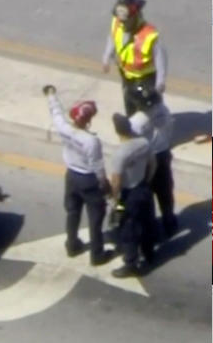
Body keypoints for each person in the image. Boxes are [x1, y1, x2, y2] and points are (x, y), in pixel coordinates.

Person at [43, 84, 112, 265]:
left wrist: (51, 95)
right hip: (88, 180)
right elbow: (97, 167)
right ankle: (97, 255)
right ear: (88, 121)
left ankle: (72, 245)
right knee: (95, 218)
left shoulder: (64, 128)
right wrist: (104, 184)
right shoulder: (91, 141)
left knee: (72, 212)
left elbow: (56, 113)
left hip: (71, 176)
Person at [101, 0, 168, 116]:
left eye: (126, 20)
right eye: (121, 20)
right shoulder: (117, 23)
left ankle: (155, 122)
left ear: (135, 16)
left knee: (149, 107)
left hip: (145, 78)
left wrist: (160, 82)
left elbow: (161, 59)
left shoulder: (149, 34)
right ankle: (131, 123)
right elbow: (112, 38)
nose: (123, 23)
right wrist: (106, 57)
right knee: (129, 100)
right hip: (126, 74)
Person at [108, 113, 158, 278]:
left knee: (127, 227)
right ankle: (149, 253)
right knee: (147, 222)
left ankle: (130, 263)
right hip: (143, 189)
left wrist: (114, 201)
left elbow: (116, 181)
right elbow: (153, 164)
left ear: (117, 132)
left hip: (126, 195)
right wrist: (146, 182)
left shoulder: (120, 154)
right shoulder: (144, 143)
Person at [128, 84, 179, 238]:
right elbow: (170, 128)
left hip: (146, 159)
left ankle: (151, 229)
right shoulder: (163, 110)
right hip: (163, 154)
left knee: (147, 194)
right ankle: (169, 222)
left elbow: (132, 142)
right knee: (165, 191)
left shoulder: (136, 121)